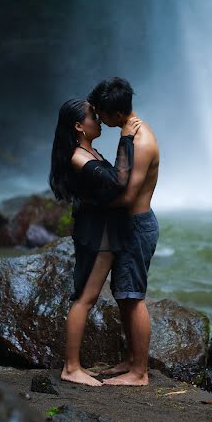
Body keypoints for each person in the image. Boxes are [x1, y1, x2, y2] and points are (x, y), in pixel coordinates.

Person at [49, 98, 142, 386]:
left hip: (102, 229)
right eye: (92, 116)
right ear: (78, 126)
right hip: (96, 234)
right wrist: (126, 139)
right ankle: (71, 368)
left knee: (87, 297)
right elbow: (116, 182)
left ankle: (78, 365)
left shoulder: (88, 150)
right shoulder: (78, 156)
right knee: (85, 299)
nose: (98, 120)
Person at [87, 77, 160, 386]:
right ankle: (131, 360)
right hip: (129, 225)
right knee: (124, 296)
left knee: (133, 297)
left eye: (100, 113)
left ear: (116, 114)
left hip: (136, 224)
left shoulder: (140, 142)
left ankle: (139, 373)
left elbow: (128, 194)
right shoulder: (130, 134)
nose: (97, 119)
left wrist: (94, 202)